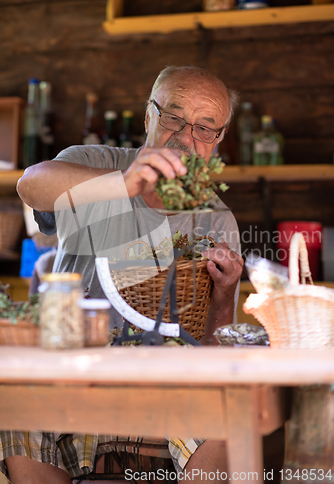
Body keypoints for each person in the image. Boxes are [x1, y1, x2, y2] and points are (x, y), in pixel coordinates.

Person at [3, 66, 243, 483]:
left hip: (167, 384)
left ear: (218, 141)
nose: (187, 138)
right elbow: (30, 185)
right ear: (149, 117)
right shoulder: (93, 164)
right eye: (173, 116)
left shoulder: (217, 221)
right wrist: (124, 182)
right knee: (13, 399)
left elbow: (215, 348)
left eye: (207, 128)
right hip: (73, 369)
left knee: (225, 408)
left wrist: (224, 295)